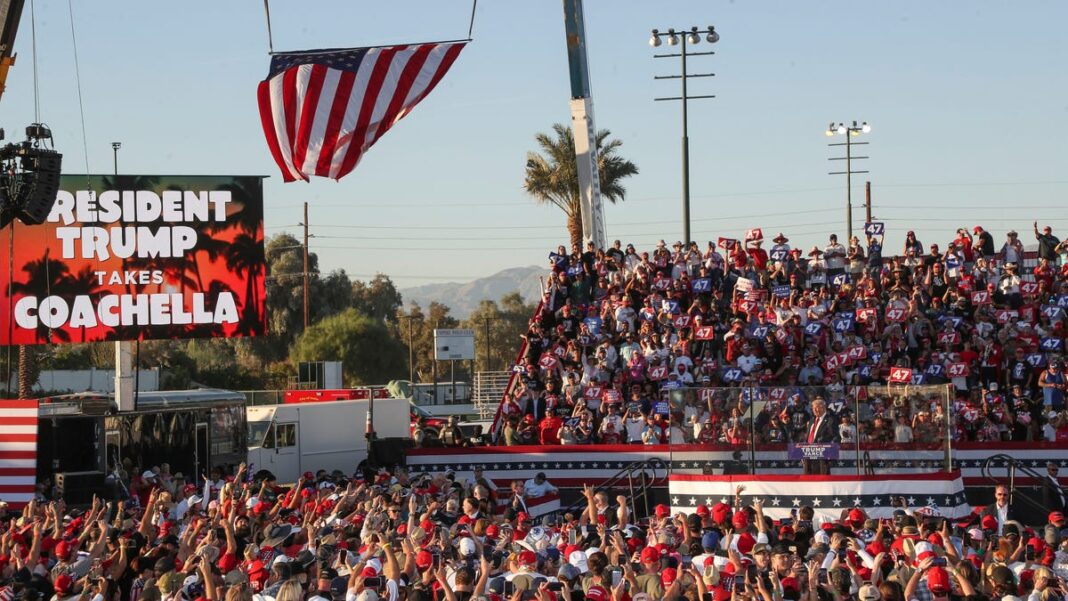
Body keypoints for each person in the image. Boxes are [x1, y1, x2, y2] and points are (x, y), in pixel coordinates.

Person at [802, 397, 837, 475]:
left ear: (823, 408)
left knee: (822, 482)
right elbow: (807, 437)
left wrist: (829, 453)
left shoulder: (830, 420)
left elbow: (835, 437)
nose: (814, 410)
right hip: (808, 456)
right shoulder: (811, 420)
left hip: (822, 458)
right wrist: (802, 450)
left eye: (817, 407)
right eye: (813, 408)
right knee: (809, 481)